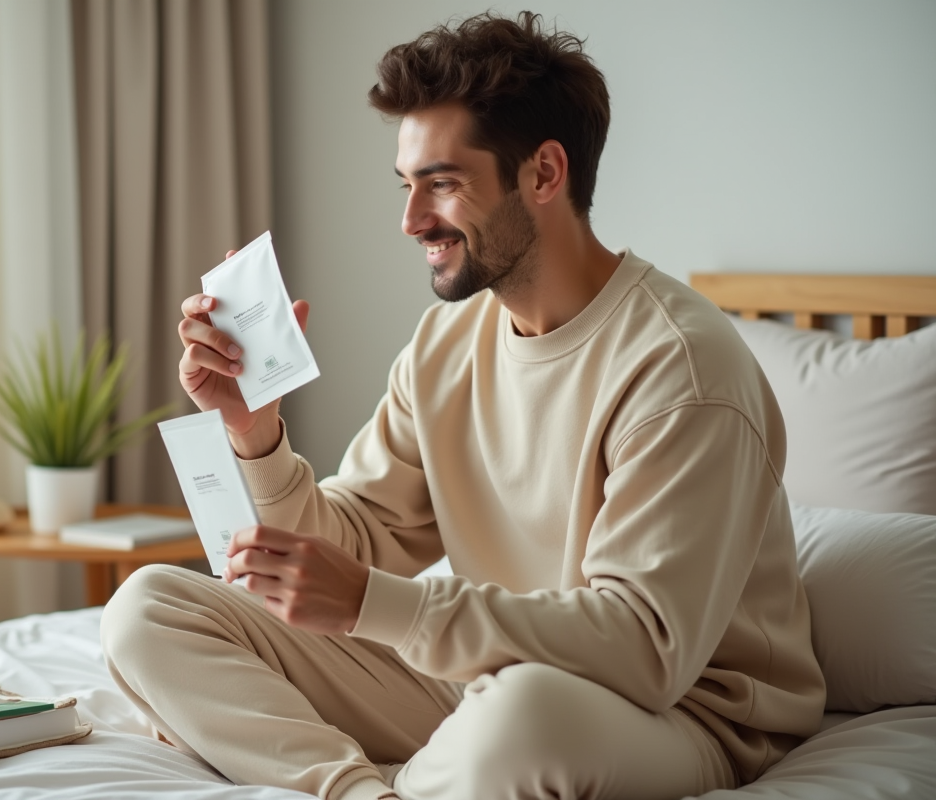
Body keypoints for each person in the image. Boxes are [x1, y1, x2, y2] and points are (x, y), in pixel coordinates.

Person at [100, 11, 825, 800]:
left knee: (525, 716)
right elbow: (361, 541)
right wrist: (254, 430)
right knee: (148, 607)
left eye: (441, 183)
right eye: (408, 185)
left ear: (544, 175)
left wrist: (384, 606)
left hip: (679, 711)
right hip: (488, 670)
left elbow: (647, 650)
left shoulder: (681, 367)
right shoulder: (446, 347)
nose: (411, 221)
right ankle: (354, 792)